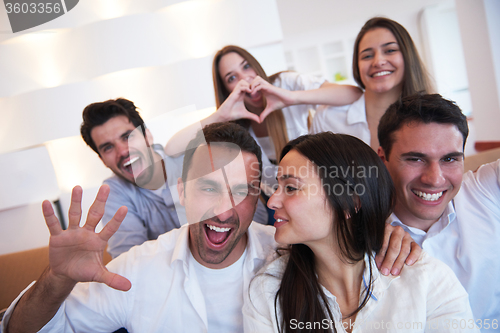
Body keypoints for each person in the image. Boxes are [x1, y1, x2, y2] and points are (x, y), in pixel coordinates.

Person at [3, 123, 418, 333]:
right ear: (181, 190)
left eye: (242, 190)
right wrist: (55, 279)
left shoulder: (294, 255)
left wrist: (385, 235)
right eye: (207, 187)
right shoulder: (136, 270)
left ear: (260, 195)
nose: (223, 210)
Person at [244, 132, 476, 333]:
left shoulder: (425, 281)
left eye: (291, 188)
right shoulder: (269, 292)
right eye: (277, 187)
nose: (273, 201)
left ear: (349, 201)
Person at [165, 45, 362, 199]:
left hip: (318, 189)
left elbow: (352, 93)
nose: (245, 79)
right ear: (227, 90)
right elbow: (172, 148)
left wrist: (291, 98)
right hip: (275, 200)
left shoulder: (285, 83)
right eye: (232, 77)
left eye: (246, 66)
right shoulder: (234, 124)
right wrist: (219, 117)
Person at [377, 93, 500, 324]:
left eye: (450, 159)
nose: (434, 179)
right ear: (382, 159)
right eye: (415, 159)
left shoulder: (486, 190)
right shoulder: (362, 231)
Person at [80, 98, 184, 258]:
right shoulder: (113, 193)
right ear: (103, 160)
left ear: (147, 136)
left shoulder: (189, 160)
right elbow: (130, 263)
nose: (122, 151)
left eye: (128, 137)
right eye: (108, 147)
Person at [312, 17, 433, 151]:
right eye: (367, 56)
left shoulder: (433, 118)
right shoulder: (327, 117)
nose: (378, 61)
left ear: (407, 56)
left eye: (390, 50)